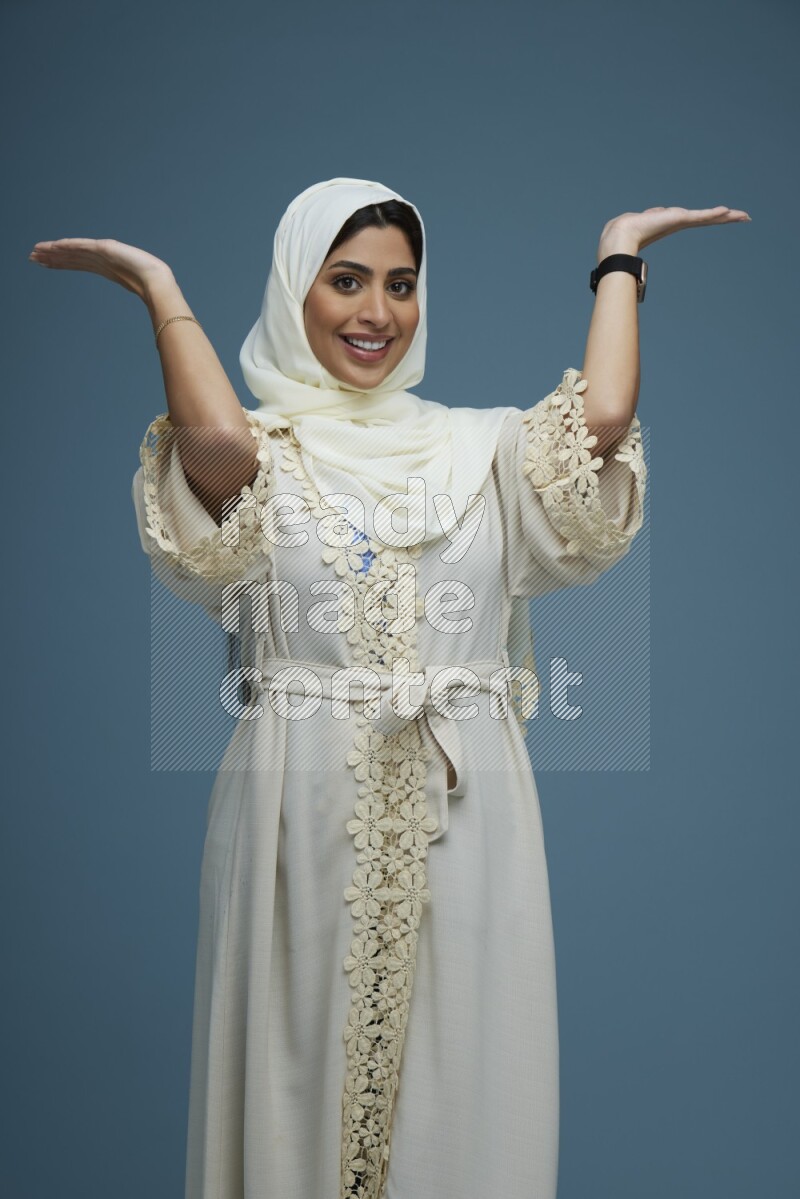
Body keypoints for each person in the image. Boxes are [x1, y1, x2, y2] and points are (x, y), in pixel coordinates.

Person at [29, 179, 749, 1199]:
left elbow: (598, 416)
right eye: (345, 281)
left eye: (399, 284)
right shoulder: (260, 453)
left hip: (468, 807)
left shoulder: (484, 445)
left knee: (464, 1089)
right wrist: (159, 289)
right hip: (298, 807)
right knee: (299, 1073)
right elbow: (221, 447)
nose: (376, 311)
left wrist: (618, 255)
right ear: (295, 292)